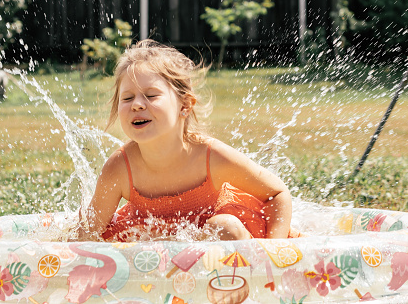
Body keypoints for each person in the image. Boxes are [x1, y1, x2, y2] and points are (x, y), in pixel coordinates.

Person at [75, 40, 292, 242]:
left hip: (226, 237)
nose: (137, 105)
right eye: (127, 98)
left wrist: (273, 251)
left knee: (224, 227)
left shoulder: (210, 157)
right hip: (157, 240)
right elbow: (88, 234)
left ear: (185, 105)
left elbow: (277, 193)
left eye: (151, 96)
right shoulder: (120, 168)